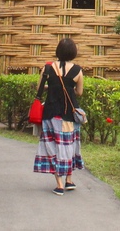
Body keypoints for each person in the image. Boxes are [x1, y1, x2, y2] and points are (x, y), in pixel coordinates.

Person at [33, 38, 84, 195]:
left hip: (50, 113)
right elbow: (79, 92)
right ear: (73, 52)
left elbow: (39, 88)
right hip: (69, 114)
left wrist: (53, 87)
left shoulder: (48, 68)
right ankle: (69, 180)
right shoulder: (77, 70)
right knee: (69, 146)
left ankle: (59, 184)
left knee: (52, 146)